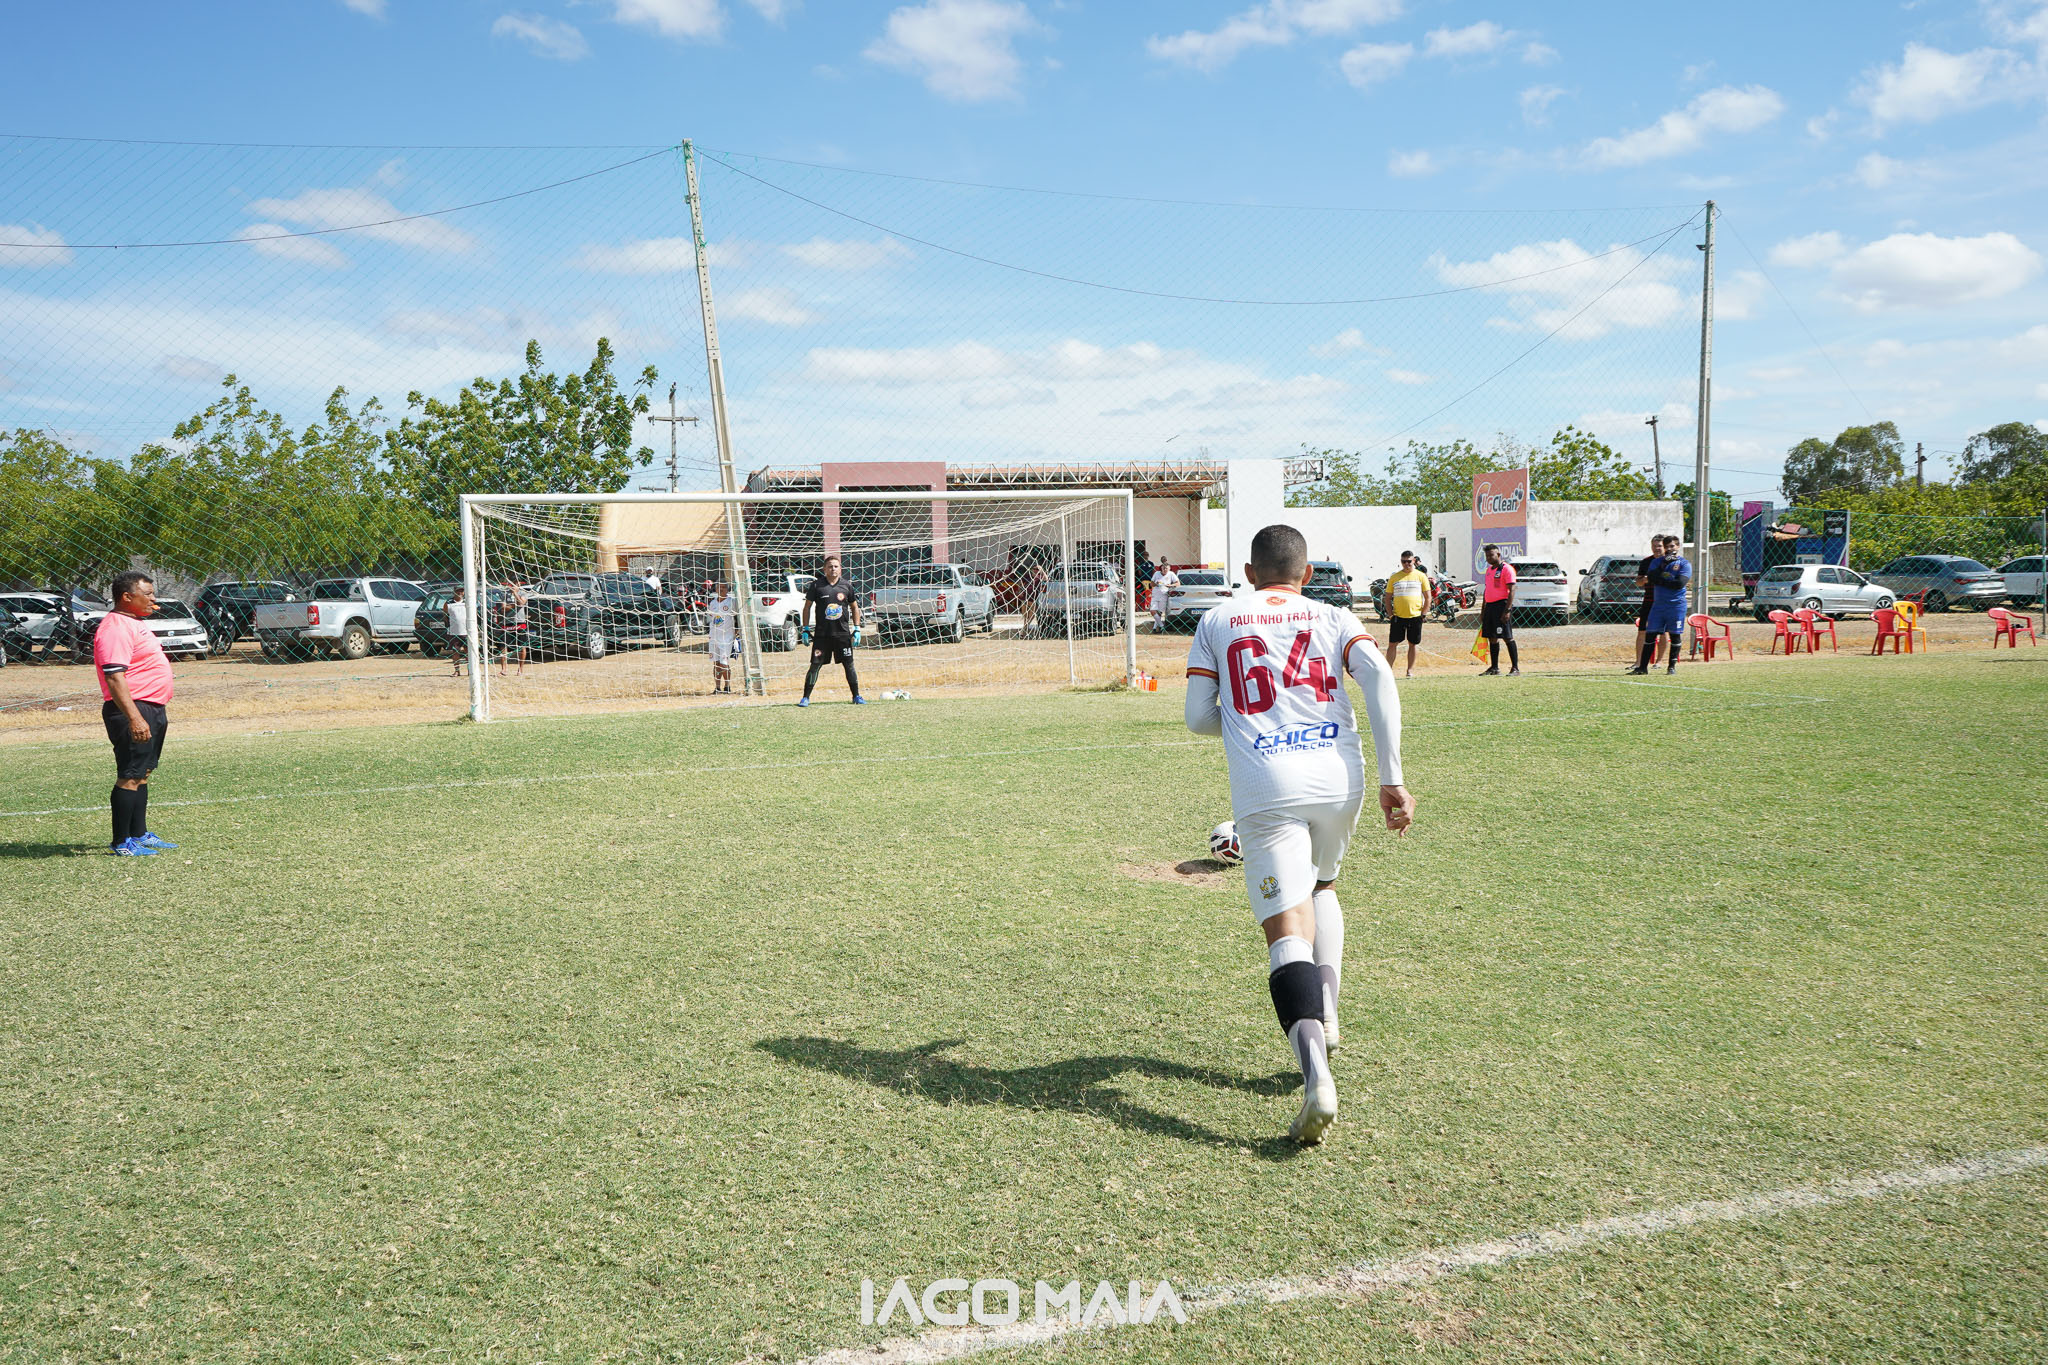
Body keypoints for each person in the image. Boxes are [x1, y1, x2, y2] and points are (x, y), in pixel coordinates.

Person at [1184, 524, 1415, 1145]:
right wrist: (1393, 777)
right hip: (1340, 776)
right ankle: (1328, 1010)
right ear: (1307, 574)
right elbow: (1379, 677)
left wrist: (1252, 722)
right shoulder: (1334, 615)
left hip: (1268, 783)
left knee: (1286, 931)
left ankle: (1316, 1077)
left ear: (1249, 573)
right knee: (1324, 885)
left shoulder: (1218, 619)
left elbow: (1198, 717)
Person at [94, 571, 178, 856]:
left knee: (142, 773)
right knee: (129, 775)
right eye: (148, 594)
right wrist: (134, 718)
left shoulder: (133, 623)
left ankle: (139, 834)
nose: (154, 599)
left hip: (151, 707)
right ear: (127, 597)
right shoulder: (116, 627)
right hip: (133, 709)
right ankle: (121, 843)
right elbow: (114, 677)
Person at [799, 554, 864, 706]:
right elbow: (807, 607)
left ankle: (856, 696)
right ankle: (805, 698)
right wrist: (805, 629)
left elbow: (854, 607)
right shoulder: (817, 586)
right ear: (824, 569)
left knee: (849, 665)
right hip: (822, 635)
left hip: (842, 634)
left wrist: (857, 628)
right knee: (815, 666)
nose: (833, 569)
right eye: (830, 567)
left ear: (840, 569)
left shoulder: (846, 586)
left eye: (836, 566)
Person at [1631, 535, 1692, 675]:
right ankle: (1642, 668)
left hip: (1676, 605)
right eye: (1667, 546)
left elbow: (1679, 583)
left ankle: (1671, 667)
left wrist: (1660, 580)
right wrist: (1664, 566)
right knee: (1650, 634)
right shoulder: (1657, 562)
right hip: (1658, 605)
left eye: (1672, 546)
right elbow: (1651, 577)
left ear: (1678, 546)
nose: (1669, 549)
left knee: (1674, 635)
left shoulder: (1684, 564)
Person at [1381, 550, 1433, 678]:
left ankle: (1409, 671)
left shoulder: (1421, 576)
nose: (1406, 564)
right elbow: (1387, 598)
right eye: (1403, 561)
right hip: (1398, 617)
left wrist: (1423, 614)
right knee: (1392, 644)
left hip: (1415, 616)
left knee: (1413, 643)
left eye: (1409, 561)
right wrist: (1390, 615)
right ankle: (1388, 671)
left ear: (1414, 561)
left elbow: (1428, 597)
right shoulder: (1394, 577)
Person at [1478, 543, 1520, 676]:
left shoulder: (1507, 569)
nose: (1489, 558)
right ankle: (1494, 668)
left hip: (1502, 606)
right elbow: (1487, 590)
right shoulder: (1489, 570)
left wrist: (1507, 610)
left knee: (1507, 637)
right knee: (1492, 637)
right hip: (1490, 607)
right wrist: (1483, 610)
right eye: (1487, 556)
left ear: (1498, 554)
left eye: (1491, 555)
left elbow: (1512, 590)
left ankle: (1515, 668)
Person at [1632, 534, 1665, 670]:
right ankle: (1638, 662)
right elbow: (1638, 582)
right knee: (1642, 631)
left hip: (1663, 602)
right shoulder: (1646, 562)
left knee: (1663, 632)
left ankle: (1659, 661)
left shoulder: (1670, 562)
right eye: (1654, 546)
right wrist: (1645, 579)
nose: (1656, 548)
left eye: (1659, 546)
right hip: (1649, 601)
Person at [706, 578, 739, 694]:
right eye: (719, 587)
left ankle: (727, 687)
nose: (721, 589)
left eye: (724, 587)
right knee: (716, 663)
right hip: (714, 636)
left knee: (724, 663)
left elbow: (737, 617)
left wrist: (737, 630)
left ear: (728, 589)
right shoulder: (713, 603)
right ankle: (717, 687)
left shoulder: (731, 602)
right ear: (716, 589)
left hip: (726, 637)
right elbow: (711, 619)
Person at [499, 585, 529, 677]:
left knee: (522, 647)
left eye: (515, 584)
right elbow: (503, 608)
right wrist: (515, 605)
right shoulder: (505, 594)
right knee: (503, 646)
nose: (513, 586)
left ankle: (520, 669)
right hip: (507, 623)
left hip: (520, 622)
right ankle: (504, 669)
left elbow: (521, 603)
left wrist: (515, 594)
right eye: (511, 584)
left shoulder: (523, 593)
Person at [1150, 561, 1180, 633]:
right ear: (1161, 568)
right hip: (1155, 594)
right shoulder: (1157, 573)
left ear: (1169, 569)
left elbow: (1178, 583)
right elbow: (1151, 584)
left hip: (1164, 595)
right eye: (1163, 568)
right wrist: (1156, 584)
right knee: (1152, 610)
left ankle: (1155, 628)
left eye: (1166, 568)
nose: (1165, 570)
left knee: (1160, 612)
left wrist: (1170, 585)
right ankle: (1161, 626)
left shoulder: (1171, 574)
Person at [446, 585, 468, 677]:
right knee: (455, 652)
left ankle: (470, 670)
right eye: (458, 591)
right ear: (454, 592)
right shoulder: (448, 603)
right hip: (454, 632)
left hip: (467, 632)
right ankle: (457, 671)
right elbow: (445, 616)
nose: (460, 593)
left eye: (461, 591)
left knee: (468, 652)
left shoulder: (467, 601)